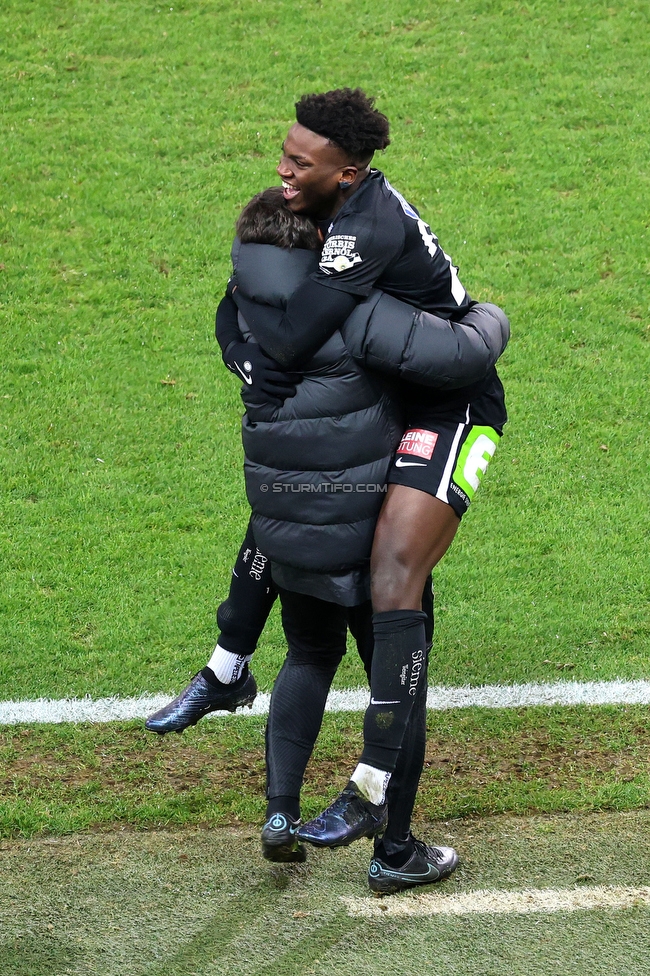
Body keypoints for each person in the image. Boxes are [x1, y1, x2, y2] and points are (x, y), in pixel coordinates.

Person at [222, 89, 508, 858]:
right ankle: (394, 844)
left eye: (299, 162)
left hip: (453, 410)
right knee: (310, 525)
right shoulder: (322, 212)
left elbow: (295, 330)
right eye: (283, 152)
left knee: (392, 581)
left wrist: (261, 359)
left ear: (345, 174)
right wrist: (241, 349)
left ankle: (375, 800)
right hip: (389, 406)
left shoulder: (364, 228)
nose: (282, 169)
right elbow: (245, 297)